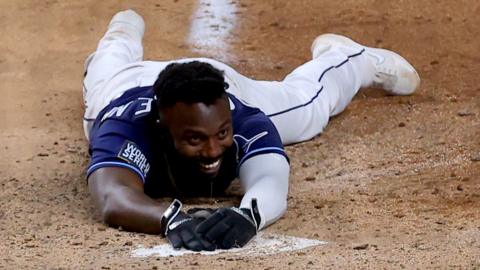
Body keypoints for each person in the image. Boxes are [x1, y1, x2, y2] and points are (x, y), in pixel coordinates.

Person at [83, 10, 420, 251]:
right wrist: (170, 219)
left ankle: (348, 57)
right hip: (123, 85)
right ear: (161, 126)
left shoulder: (242, 116)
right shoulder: (124, 127)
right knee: (100, 81)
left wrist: (250, 214)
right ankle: (121, 35)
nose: (214, 151)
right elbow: (114, 198)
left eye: (221, 135)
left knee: (307, 108)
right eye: (195, 139)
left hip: (213, 80)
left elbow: (271, 178)